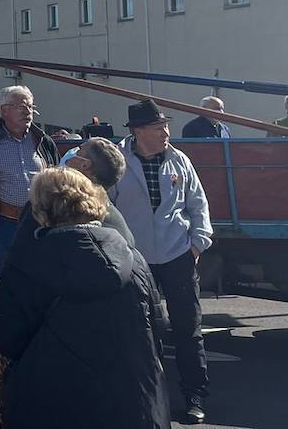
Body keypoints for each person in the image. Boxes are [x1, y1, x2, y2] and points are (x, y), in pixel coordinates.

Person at [0, 167, 171, 429]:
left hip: (53, 402)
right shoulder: (134, 260)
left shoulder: (30, 264)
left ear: (41, 210)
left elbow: (6, 338)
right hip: (131, 401)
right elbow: (158, 326)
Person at [111, 100, 213, 425]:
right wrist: (120, 251)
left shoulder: (179, 160)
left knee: (188, 328)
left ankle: (194, 395)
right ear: (139, 131)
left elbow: (198, 204)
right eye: (158, 128)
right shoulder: (118, 161)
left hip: (177, 255)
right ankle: (151, 397)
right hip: (136, 260)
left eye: (165, 126)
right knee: (142, 331)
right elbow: (105, 209)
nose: (166, 132)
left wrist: (197, 245)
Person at [0, 84, 58, 398]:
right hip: (2, 228)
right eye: (21, 104)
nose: (27, 110)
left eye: (31, 104)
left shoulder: (42, 141)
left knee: (40, 297)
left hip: (39, 228)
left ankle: (32, 366)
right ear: (3, 109)